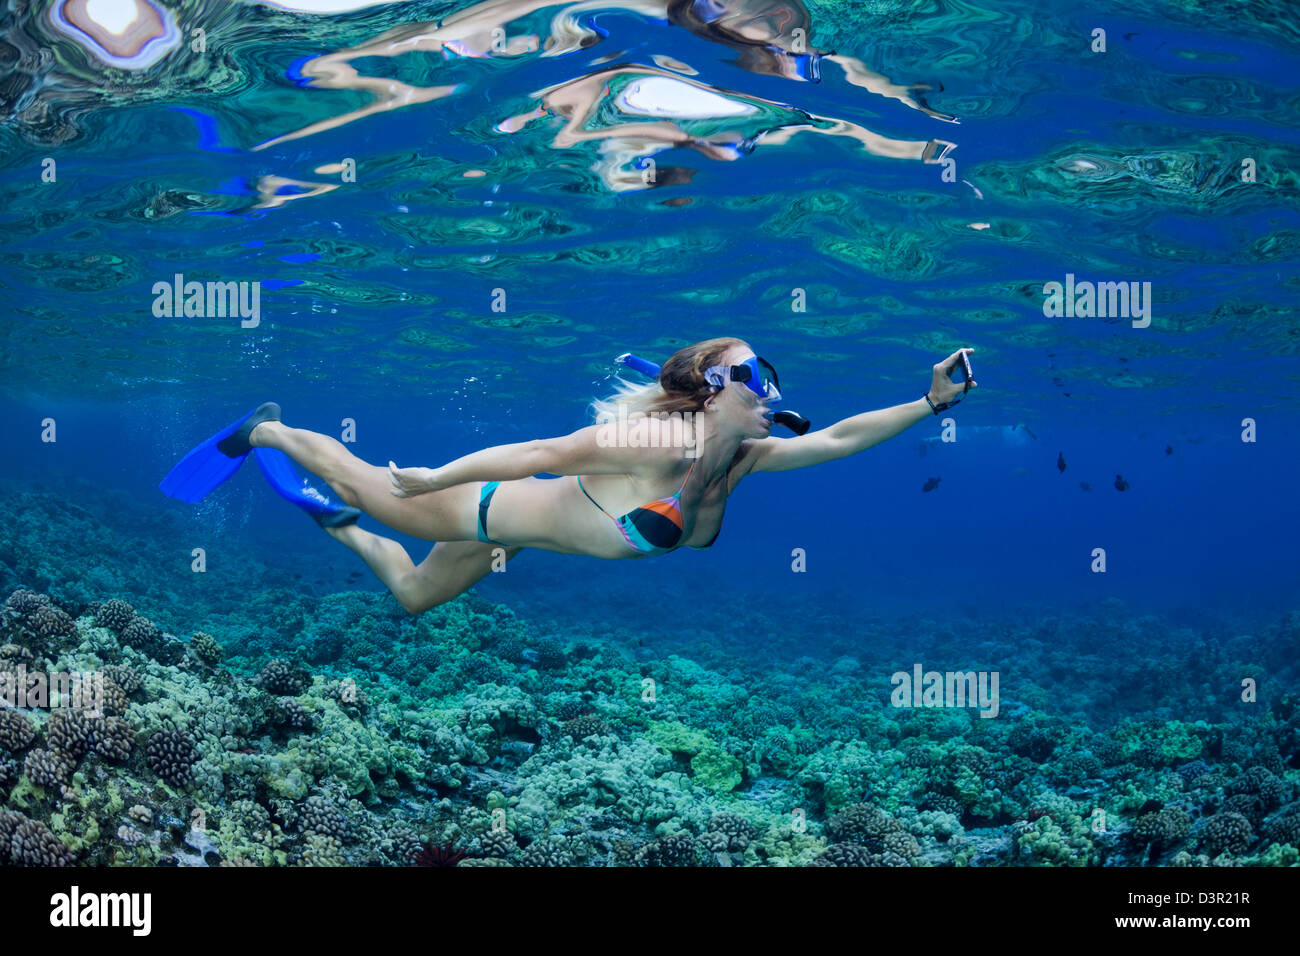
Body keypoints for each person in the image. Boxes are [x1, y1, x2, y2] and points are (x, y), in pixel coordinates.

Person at [160, 338, 975, 614]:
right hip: (480, 508)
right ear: (714, 389)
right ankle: (264, 428)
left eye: (773, 375)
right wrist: (434, 478)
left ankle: (326, 518)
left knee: (410, 598)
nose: (774, 390)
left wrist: (930, 404)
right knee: (365, 478)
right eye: (755, 373)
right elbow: (541, 454)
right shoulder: (653, 438)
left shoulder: (742, 456)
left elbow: (836, 439)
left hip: (520, 536)